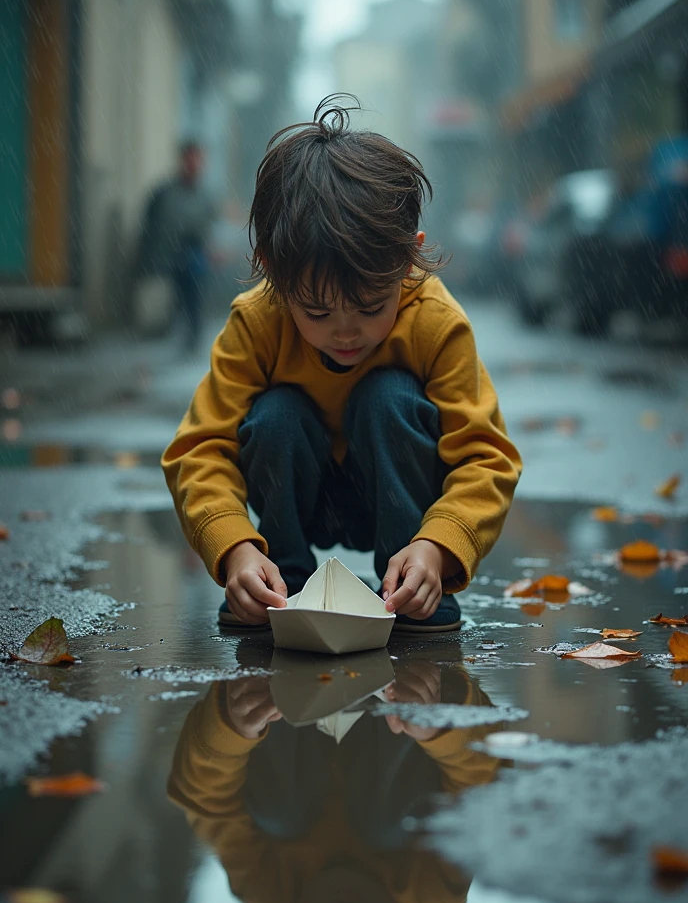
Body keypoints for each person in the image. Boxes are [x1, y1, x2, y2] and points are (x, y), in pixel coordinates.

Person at [162, 95, 522, 632]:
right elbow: (199, 450)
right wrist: (235, 547)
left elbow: (486, 456)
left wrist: (439, 547)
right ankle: (278, 580)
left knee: (391, 397)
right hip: (296, 498)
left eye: (373, 306)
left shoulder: (435, 321)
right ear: (273, 274)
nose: (347, 330)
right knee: (276, 413)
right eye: (318, 311)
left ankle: (408, 585)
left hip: (399, 503)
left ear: (408, 258)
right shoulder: (257, 322)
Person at [167, 651, 502, 903]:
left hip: (291, 679)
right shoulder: (432, 897)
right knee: (385, 827)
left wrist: (234, 727)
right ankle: (403, 692)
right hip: (397, 689)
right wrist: (437, 723)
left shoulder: (267, 891)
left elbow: (206, 802)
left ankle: (273, 683)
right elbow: (482, 793)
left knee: (281, 817)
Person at [137, 141, 215, 351]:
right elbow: (149, 228)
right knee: (170, 303)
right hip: (168, 258)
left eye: (198, 159)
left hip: (194, 258)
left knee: (194, 297)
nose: (194, 164)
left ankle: (191, 338)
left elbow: (210, 229)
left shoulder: (205, 197)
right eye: (190, 158)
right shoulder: (164, 194)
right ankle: (171, 335)